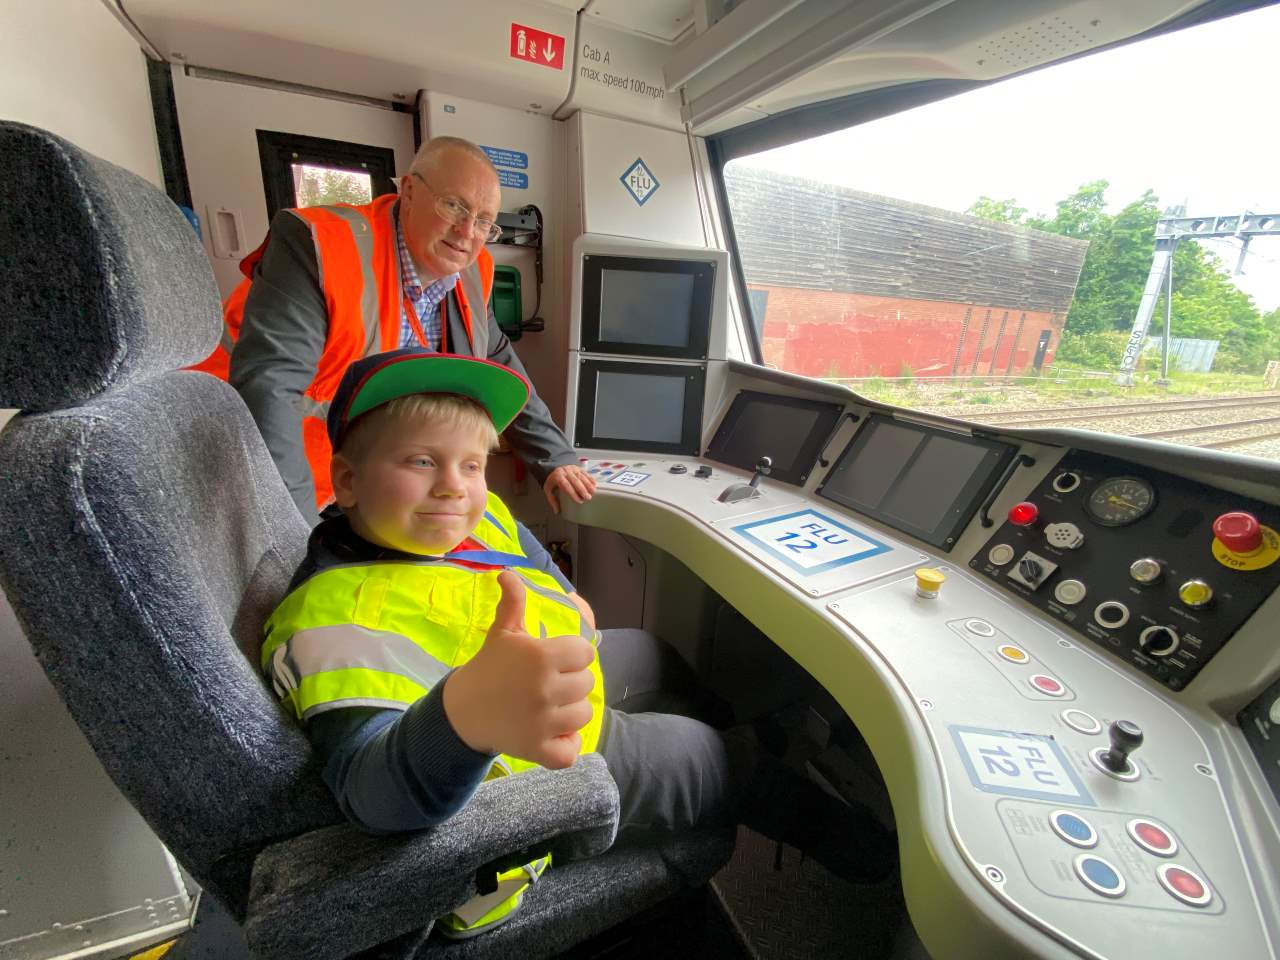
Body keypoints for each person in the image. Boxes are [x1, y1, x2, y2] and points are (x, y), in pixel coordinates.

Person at [261, 348, 897, 937]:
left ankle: (733, 758)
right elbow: (373, 796)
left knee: (656, 652)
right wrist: (464, 720)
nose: (455, 486)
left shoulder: (460, 519)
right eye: (421, 461)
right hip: (528, 763)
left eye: (473, 464)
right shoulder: (335, 618)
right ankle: (865, 855)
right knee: (717, 758)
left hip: (546, 670)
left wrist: (571, 598)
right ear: (345, 482)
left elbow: (532, 562)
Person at [195, 135, 594, 518]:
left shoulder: (474, 273)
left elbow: (502, 364)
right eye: (454, 206)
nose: (467, 232)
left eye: (484, 222)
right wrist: (296, 537)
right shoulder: (318, 245)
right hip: (265, 475)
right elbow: (269, 391)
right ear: (409, 191)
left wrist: (555, 458)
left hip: (382, 488)